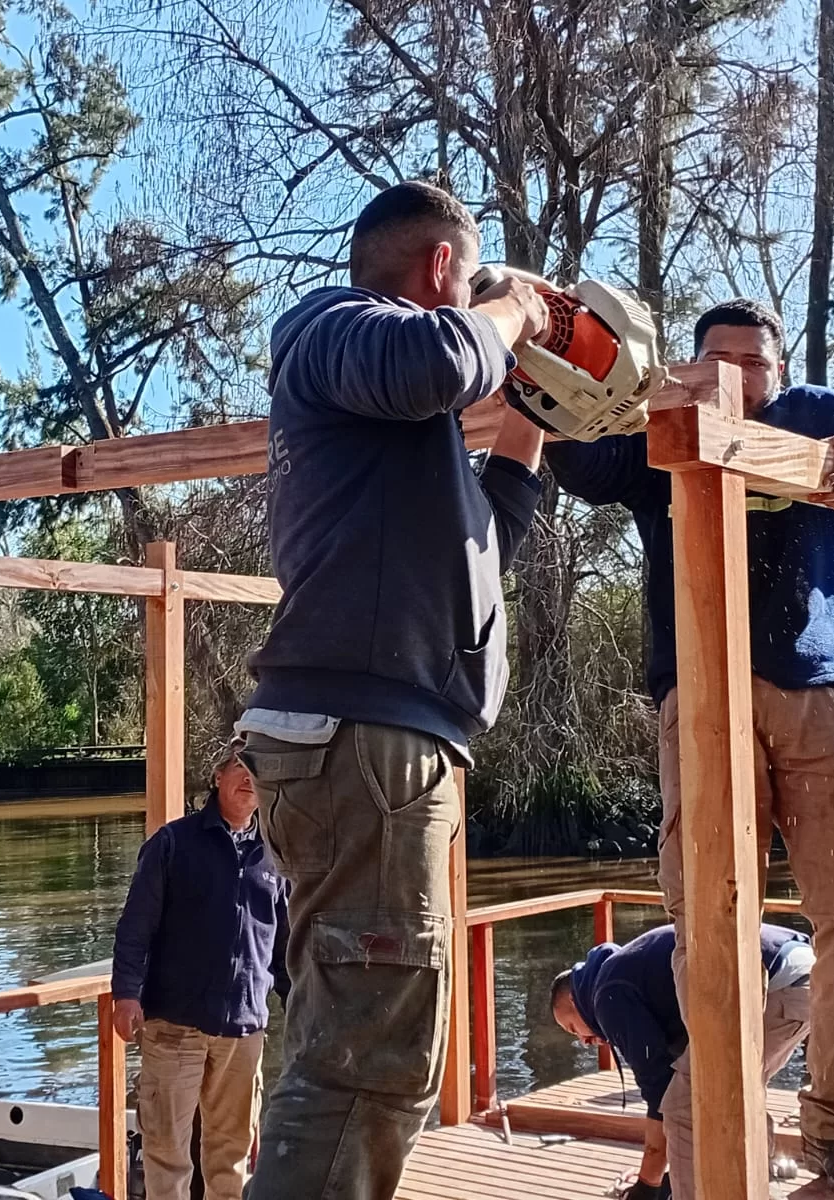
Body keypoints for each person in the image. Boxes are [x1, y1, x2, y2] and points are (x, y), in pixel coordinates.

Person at [546, 299, 834, 1197]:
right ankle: (721, 1133)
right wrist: (655, 392)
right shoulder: (662, 420)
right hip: (698, 694)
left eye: (755, 362)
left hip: (822, 687)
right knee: (706, 920)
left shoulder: (822, 412)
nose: (739, 375)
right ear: (697, 363)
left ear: (780, 369)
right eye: (721, 360)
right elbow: (576, 458)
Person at [235, 180, 551, 1199]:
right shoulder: (332, 328)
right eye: (467, 290)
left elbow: (486, 535)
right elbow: (438, 361)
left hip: (370, 740)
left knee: (356, 1045)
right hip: (364, 740)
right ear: (441, 271)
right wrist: (517, 312)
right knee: (369, 1067)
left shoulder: (397, 439)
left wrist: (532, 419)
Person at [110, 735, 290, 1200]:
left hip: (244, 1030)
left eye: (257, 771)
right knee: (166, 1152)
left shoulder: (277, 854)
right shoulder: (172, 843)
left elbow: (287, 945)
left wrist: (305, 1007)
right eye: (239, 768)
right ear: (217, 777)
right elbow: (135, 928)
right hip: (175, 1026)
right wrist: (126, 994)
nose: (248, 779)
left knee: (231, 1154)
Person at [552, 923, 816, 1200]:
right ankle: (758, 1189)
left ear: (573, 997)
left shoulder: (607, 995)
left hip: (777, 984)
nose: (584, 1041)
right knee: (735, 1093)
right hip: (803, 972)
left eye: (572, 1028)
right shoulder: (625, 972)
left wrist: (647, 1185)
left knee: (682, 1107)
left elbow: (661, 1095)